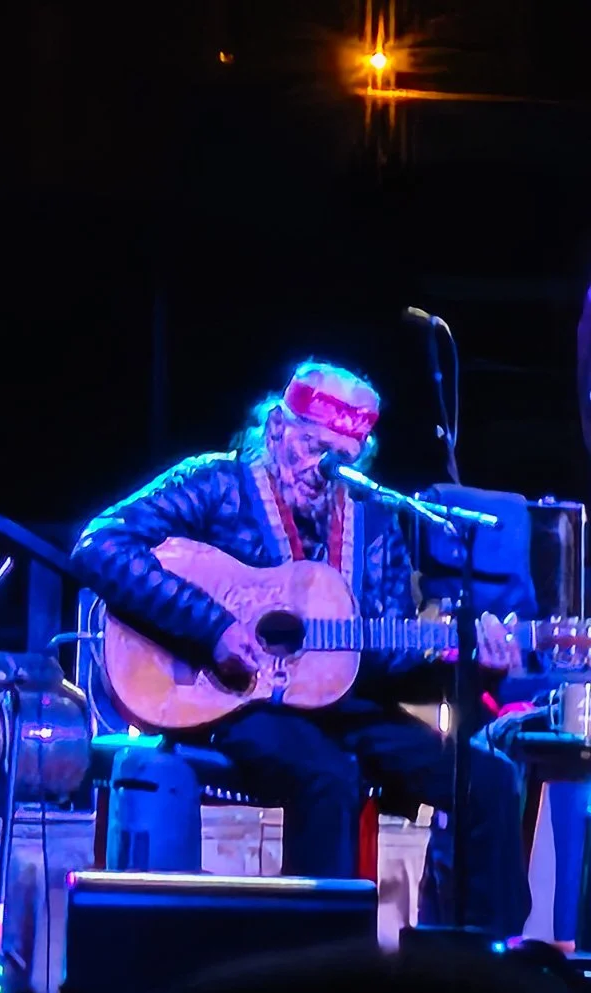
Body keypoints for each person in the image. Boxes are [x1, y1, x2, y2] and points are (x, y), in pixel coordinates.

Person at [70, 360, 533, 937]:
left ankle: (488, 960)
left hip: (345, 707)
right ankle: (318, 960)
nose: (325, 469)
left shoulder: (372, 521)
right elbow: (99, 544)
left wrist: (473, 665)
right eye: (315, 448)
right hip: (234, 700)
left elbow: (388, 658)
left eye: (344, 457)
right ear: (276, 430)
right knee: (328, 777)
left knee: (488, 780)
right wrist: (212, 627)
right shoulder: (217, 484)